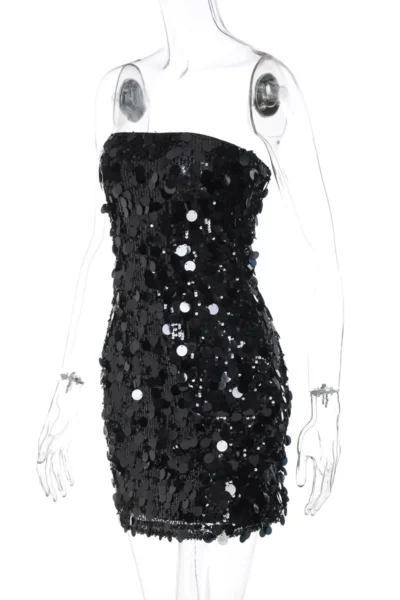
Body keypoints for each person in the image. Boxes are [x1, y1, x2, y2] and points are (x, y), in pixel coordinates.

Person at [36, 1, 343, 598]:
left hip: (231, 382)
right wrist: (67, 386)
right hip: (137, 387)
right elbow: (102, 244)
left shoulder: (261, 84)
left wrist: (325, 404)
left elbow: (321, 256)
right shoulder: (122, 90)